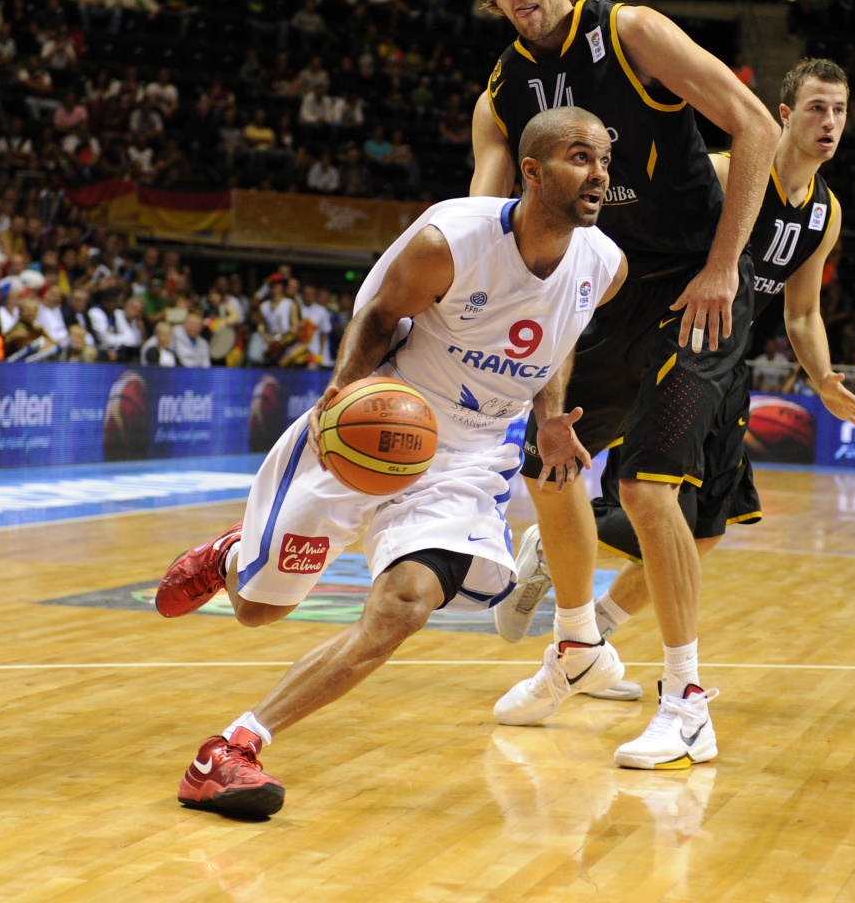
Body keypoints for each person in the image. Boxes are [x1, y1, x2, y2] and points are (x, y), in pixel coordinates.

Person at [153, 105, 626, 817]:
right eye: (580, 158)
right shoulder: (453, 239)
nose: (599, 174)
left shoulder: (605, 266)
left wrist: (550, 417)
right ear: (531, 170)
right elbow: (378, 316)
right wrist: (343, 393)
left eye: (603, 160)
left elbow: (556, 344)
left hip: (469, 456)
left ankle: (231, 748)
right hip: (380, 419)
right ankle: (230, 559)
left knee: (405, 605)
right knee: (256, 610)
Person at [465, 0, 778, 768]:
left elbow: (756, 125)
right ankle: (577, 645)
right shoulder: (504, 91)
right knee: (549, 459)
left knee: (647, 491)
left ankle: (686, 702)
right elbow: (486, 219)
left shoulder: (631, 31)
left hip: (695, 287)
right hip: (599, 292)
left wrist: (724, 266)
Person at [499, 59, 855, 671]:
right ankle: (567, 571)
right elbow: (637, 236)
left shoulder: (824, 213)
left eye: (839, 111)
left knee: (702, 532)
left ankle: (584, 636)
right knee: (615, 482)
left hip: (721, 362)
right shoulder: (726, 171)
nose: (829, 122)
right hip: (657, 341)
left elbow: (803, 313)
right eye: (816, 107)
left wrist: (825, 379)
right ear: (782, 115)